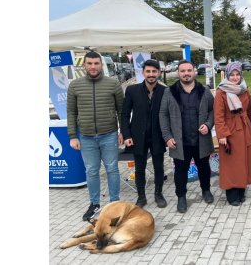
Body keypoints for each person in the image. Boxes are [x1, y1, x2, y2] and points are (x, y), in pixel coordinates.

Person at [67, 51, 124, 221]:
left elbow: (121, 110)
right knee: (91, 171)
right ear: (84, 65)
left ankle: (114, 203)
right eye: (89, 63)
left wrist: (123, 132)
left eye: (96, 63)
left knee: (112, 169)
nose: (93, 67)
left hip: (109, 134)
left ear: (101, 65)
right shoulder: (75, 85)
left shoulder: (113, 84)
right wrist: (72, 136)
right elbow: (71, 112)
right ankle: (95, 204)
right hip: (86, 136)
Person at [159, 60, 215, 213]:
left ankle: (206, 190)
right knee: (180, 171)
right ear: (178, 73)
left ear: (194, 72)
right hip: (179, 141)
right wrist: (167, 136)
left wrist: (209, 125)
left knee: (204, 167)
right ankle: (181, 197)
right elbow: (163, 115)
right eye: (183, 71)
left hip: (200, 140)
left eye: (189, 70)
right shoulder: (169, 92)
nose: (186, 73)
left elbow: (213, 110)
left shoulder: (204, 90)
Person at [120, 59, 168, 208]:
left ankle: (158, 194)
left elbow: (168, 114)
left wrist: (168, 136)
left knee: (159, 167)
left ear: (159, 73)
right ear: (143, 73)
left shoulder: (165, 91)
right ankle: (141, 197)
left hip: (158, 136)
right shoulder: (132, 90)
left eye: (154, 71)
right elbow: (125, 114)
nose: (151, 74)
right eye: (148, 71)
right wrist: (126, 135)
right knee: (139, 168)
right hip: (137, 137)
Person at [213, 62, 251, 206]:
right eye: (232, 75)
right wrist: (222, 135)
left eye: (237, 74)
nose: (234, 77)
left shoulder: (244, 89)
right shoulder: (221, 92)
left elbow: (249, 111)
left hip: (244, 130)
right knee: (231, 163)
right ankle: (232, 194)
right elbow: (218, 116)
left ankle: (241, 190)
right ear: (227, 75)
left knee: (243, 161)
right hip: (230, 131)